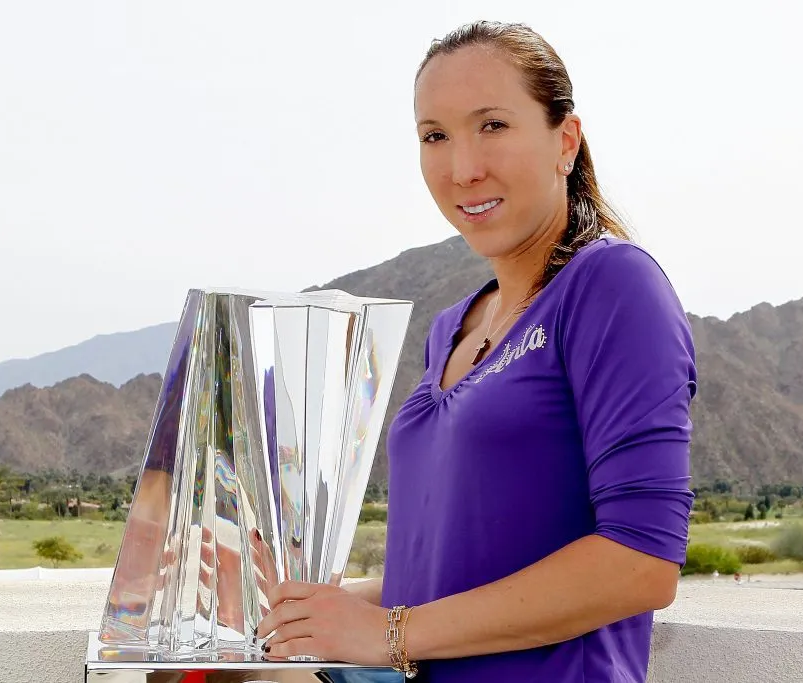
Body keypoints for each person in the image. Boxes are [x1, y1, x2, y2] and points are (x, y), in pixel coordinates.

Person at [256, 20, 697, 682]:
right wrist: (317, 608)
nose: (463, 168)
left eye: (492, 125)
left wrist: (388, 632)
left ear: (565, 141)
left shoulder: (612, 286)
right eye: (435, 136)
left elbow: (641, 562)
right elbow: (448, 575)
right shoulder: (451, 328)